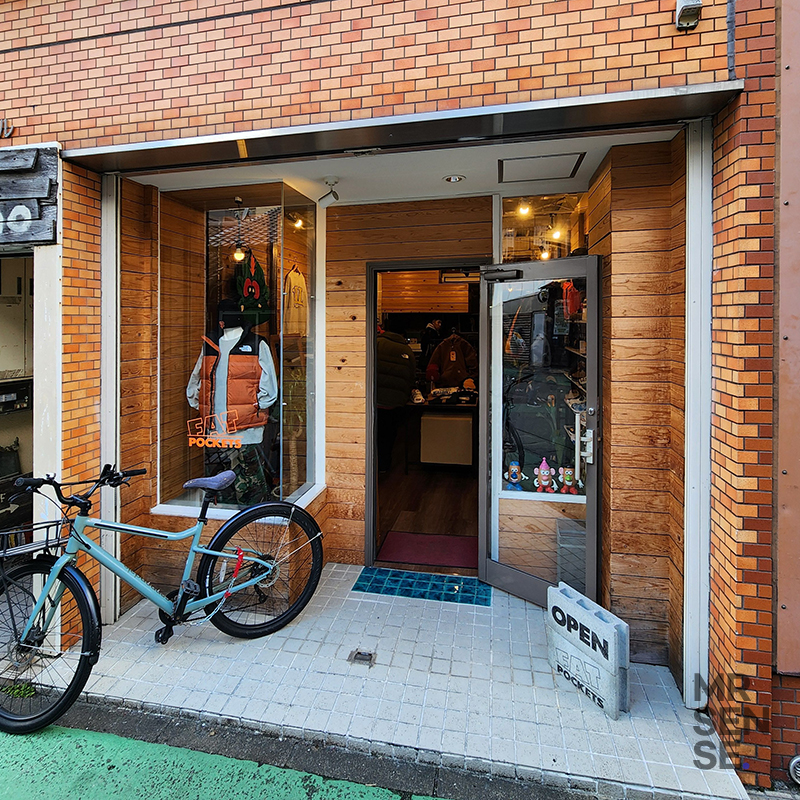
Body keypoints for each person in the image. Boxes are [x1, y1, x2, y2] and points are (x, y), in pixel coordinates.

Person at [187, 299, 278, 503]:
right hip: (216, 427)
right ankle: (225, 519)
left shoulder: (256, 344)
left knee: (251, 483)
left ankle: (254, 517)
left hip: (246, 428)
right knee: (222, 482)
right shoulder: (210, 345)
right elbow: (197, 379)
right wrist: (200, 404)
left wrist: (255, 407)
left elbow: (269, 386)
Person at [375, 321, 416, 473]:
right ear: (402, 335)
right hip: (394, 401)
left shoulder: (376, 343)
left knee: (371, 434)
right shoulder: (407, 349)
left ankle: (368, 467)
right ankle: (383, 466)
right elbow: (412, 375)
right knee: (388, 434)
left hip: (374, 398)